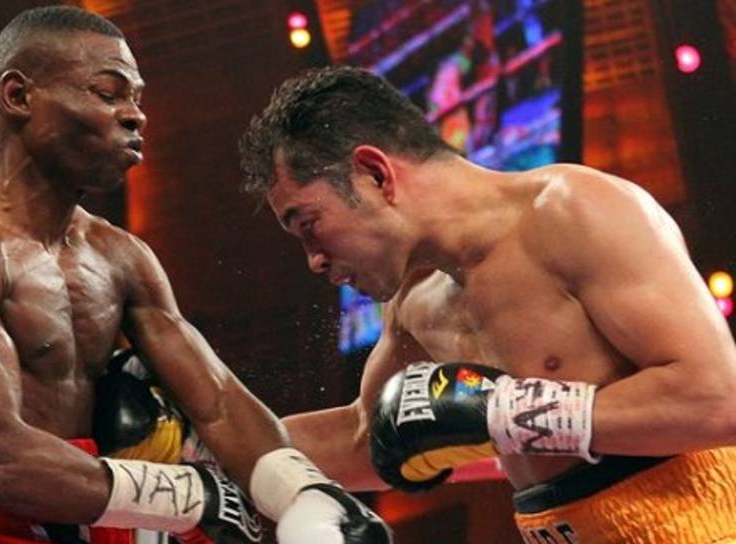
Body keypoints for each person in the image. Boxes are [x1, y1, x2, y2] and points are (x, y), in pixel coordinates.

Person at [0, 8, 393, 544]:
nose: (135, 116)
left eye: (136, 98)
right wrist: (189, 495)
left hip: (104, 517)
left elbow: (218, 403)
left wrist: (307, 494)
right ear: (18, 96)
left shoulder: (120, 256)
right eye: (108, 93)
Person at [238, 65, 736, 543]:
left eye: (309, 225)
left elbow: (718, 399)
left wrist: (507, 414)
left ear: (375, 174)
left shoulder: (572, 212)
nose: (314, 261)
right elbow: (367, 439)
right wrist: (210, 452)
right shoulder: (415, 300)